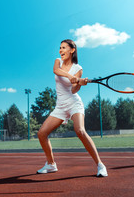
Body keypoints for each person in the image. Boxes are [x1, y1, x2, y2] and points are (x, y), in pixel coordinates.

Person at [37, 39, 108, 177]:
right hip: (60, 106)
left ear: (72, 50)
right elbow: (56, 71)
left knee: (80, 130)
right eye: (60, 47)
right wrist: (71, 77)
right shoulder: (58, 62)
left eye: (64, 48)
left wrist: (80, 83)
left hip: (74, 103)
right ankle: (51, 164)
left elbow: (74, 90)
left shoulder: (78, 68)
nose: (60, 50)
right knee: (41, 133)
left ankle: (100, 165)